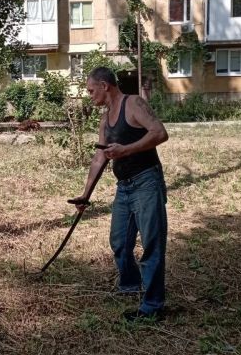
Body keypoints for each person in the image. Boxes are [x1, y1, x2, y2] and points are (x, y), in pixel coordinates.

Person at [70, 66, 169, 320]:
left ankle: (153, 306)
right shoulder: (105, 120)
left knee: (152, 245)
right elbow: (99, 157)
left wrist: (126, 150)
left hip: (146, 182)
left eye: (91, 90)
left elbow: (160, 132)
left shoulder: (133, 103)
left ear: (104, 86)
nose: (89, 95)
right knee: (119, 243)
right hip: (124, 187)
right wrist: (85, 195)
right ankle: (131, 285)